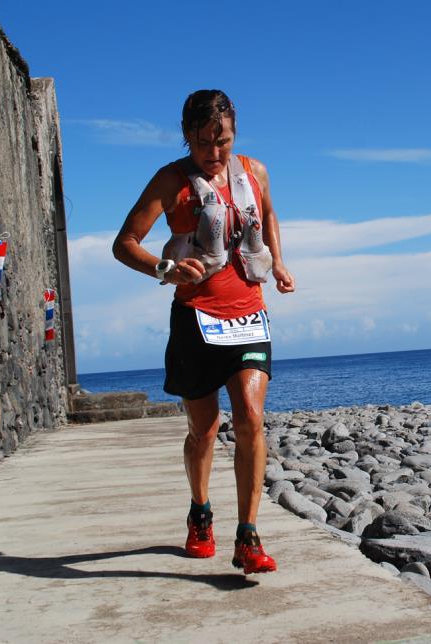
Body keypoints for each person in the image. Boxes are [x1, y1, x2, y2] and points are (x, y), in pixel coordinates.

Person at [112, 89, 295, 574]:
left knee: (251, 418)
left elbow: (269, 214)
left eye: (224, 142)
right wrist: (164, 269)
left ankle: (248, 537)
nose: (215, 154)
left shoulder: (254, 171)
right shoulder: (171, 181)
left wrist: (277, 262)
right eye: (204, 143)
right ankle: (200, 511)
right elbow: (125, 243)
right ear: (186, 136)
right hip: (196, 319)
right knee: (204, 430)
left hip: (248, 313)